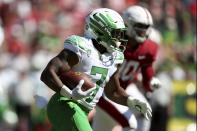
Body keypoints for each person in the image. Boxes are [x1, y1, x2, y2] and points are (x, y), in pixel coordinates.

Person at [40, 8, 152, 131]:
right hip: (65, 105)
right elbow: (48, 73)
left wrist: (131, 101)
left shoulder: (115, 57)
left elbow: (113, 91)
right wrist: (69, 94)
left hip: (83, 111)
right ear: (99, 31)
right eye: (115, 33)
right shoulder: (82, 47)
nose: (119, 39)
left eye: (120, 34)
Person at [92, 6, 162, 131]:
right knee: (129, 123)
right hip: (104, 90)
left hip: (125, 88)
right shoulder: (112, 42)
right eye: (140, 26)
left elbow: (147, 75)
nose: (143, 31)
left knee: (145, 112)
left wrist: (150, 81)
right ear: (127, 23)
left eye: (146, 27)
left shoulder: (149, 48)